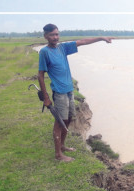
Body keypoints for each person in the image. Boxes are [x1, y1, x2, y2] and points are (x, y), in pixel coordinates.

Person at [38, 23, 113, 162]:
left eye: (57, 34)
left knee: (68, 119)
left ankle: (62, 145)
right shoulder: (44, 52)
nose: (55, 37)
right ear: (46, 36)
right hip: (59, 92)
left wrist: (101, 38)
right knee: (59, 122)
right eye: (52, 35)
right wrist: (46, 97)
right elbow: (40, 75)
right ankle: (58, 154)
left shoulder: (63, 48)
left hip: (69, 90)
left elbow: (82, 42)